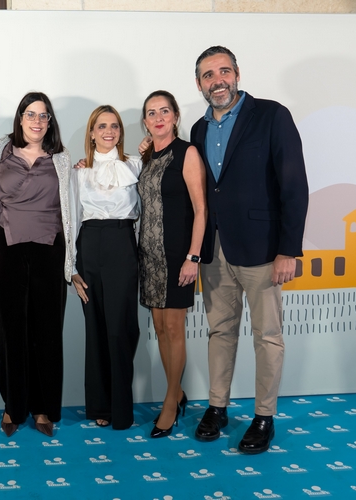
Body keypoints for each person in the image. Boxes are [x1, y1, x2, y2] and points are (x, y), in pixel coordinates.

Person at [190, 46, 308, 454]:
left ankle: (263, 416)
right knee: (219, 331)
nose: (217, 80)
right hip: (215, 248)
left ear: (237, 74)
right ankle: (217, 407)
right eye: (208, 75)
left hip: (263, 249)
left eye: (224, 71)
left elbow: (294, 184)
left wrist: (288, 250)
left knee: (267, 336)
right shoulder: (199, 129)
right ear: (199, 84)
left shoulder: (272, 115)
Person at [0, 92, 73, 438]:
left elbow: (73, 205)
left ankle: (43, 407)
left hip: (50, 249)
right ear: (20, 118)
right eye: (30, 114)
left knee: (47, 333)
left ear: (50, 122)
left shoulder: (62, 157)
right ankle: (13, 406)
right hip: (8, 247)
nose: (37, 121)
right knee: (11, 333)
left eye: (43, 115)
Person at [138, 90, 207, 439]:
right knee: (160, 328)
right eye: (151, 113)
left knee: (175, 329)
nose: (158, 117)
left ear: (176, 116)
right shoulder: (147, 156)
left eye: (164, 111)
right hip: (149, 256)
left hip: (178, 254)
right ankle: (176, 392)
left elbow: (201, 209)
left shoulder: (187, 152)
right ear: (145, 122)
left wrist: (193, 257)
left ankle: (170, 402)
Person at [70, 105, 141, 430]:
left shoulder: (135, 165)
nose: (108, 131)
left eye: (114, 126)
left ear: (121, 132)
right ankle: (100, 405)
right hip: (90, 246)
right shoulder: (78, 172)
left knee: (121, 328)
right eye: (101, 126)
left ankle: (121, 408)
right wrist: (71, 267)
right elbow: (71, 220)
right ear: (91, 133)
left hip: (123, 244)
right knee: (96, 328)